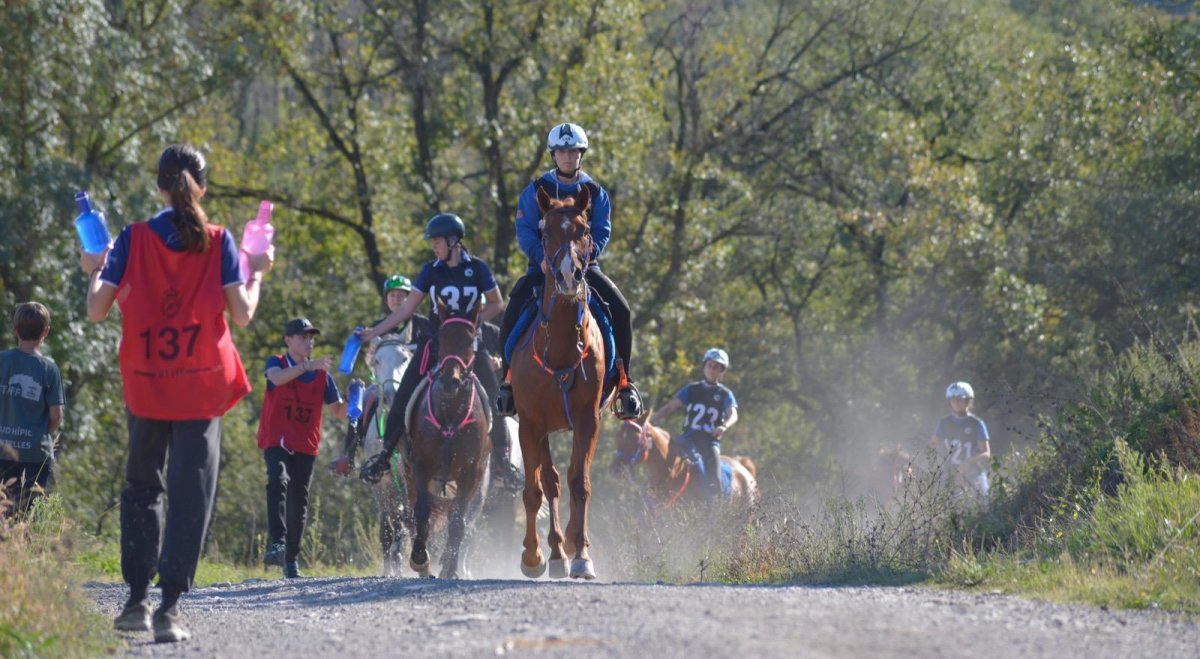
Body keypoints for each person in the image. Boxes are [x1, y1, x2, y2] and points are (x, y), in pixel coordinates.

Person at [81, 144, 272, 643]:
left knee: (143, 487)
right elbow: (244, 314)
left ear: (159, 187)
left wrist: (94, 268)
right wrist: (257, 270)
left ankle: (135, 602)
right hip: (202, 386)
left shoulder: (132, 238)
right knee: (192, 494)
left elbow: (97, 310)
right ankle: (168, 610)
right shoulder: (219, 241)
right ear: (201, 188)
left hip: (147, 384)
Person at [496, 122, 642, 420]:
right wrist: (540, 258)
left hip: (584, 268)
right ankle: (508, 381)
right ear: (553, 154)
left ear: (581, 154)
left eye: (573, 151)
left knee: (622, 310)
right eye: (562, 151)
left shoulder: (595, 192)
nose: (567, 156)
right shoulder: (536, 190)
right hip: (543, 267)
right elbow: (524, 229)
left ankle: (625, 383)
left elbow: (602, 231)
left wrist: (585, 257)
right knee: (513, 309)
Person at [356, 213, 508, 484]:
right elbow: (406, 308)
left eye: (436, 242)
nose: (433, 247)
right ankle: (384, 456)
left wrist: (471, 324)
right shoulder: (431, 270)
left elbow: (497, 303)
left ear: (453, 242)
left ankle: (503, 461)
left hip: (470, 345)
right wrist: (374, 332)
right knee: (403, 394)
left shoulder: (479, 269)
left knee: (494, 396)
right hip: (436, 344)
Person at [258, 318, 350, 579]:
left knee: (299, 502)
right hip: (277, 439)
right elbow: (275, 380)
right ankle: (277, 542)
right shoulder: (276, 362)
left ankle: (290, 559)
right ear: (288, 340)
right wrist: (307, 365)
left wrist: (362, 398)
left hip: (305, 445)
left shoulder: (322, 375)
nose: (309, 341)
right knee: (278, 479)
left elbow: (339, 412)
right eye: (303, 337)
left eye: (311, 337)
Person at [0, 302, 64, 518]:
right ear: (46, 332)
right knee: (25, 518)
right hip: (35, 455)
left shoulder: (1, 361)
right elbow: (56, 416)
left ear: (15, 330)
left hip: (2, 451)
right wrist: (36, 431)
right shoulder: (49, 369)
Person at [650, 348, 739, 500]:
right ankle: (652, 498)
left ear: (721, 371)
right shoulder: (691, 389)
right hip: (687, 438)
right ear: (704, 366)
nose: (712, 369)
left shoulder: (725, 394)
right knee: (661, 458)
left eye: (716, 367)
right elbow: (671, 407)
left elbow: (734, 415)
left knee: (715, 477)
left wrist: (723, 426)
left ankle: (716, 507)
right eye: (709, 365)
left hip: (709, 441)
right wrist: (652, 419)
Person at [931, 381, 991, 499]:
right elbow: (933, 445)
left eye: (960, 399)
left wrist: (969, 462)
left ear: (968, 400)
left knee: (985, 501)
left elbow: (986, 453)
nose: (956, 403)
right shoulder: (944, 423)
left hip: (973, 473)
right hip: (949, 473)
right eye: (953, 400)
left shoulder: (976, 423)